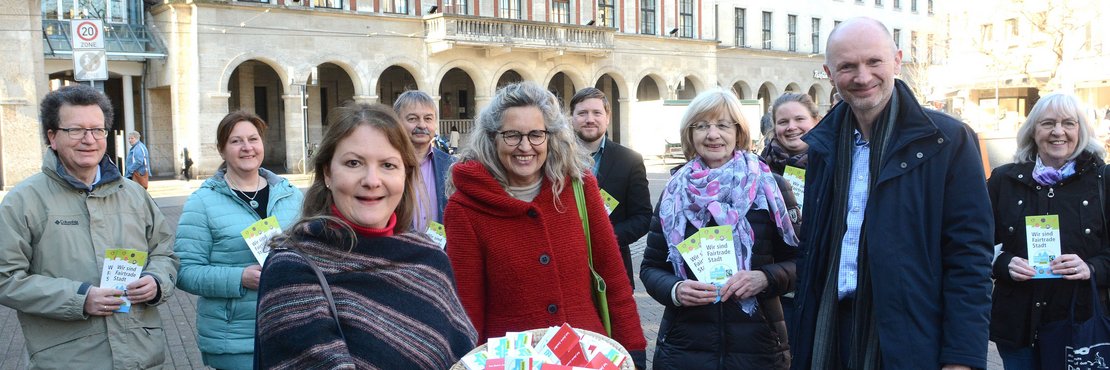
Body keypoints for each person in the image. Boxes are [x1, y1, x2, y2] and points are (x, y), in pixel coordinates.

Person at [790, 17, 994, 370]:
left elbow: (969, 259)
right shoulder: (822, 145)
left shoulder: (947, 140)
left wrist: (961, 358)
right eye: (847, 66)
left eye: (874, 62)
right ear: (828, 72)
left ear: (897, 61)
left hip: (907, 338)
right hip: (829, 334)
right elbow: (813, 249)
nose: (863, 76)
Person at [254, 103, 476, 369]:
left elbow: (463, 358)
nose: (372, 180)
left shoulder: (430, 259)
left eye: (388, 165)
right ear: (327, 172)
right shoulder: (293, 269)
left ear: (405, 174)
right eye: (354, 163)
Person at [444, 81, 647, 368]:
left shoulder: (579, 187)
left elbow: (612, 277)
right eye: (512, 135)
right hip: (509, 361)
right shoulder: (466, 206)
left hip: (588, 357)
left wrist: (634, 349)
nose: (525, 146)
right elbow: (467, 307)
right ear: (493, 138)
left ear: (550, 136)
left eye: (536, 134)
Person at [0, 84, 179, 368]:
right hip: (67, 360)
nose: (89, 139)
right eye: (75, 130)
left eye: (97, 130)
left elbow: (164, 253)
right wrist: (79, 298)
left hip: (141, 356)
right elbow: (6, 279)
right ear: (52, 137)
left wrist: (157, 282)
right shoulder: (22, 201)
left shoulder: (134, 194)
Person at [640, 88, 799, 369]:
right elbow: (651, 268)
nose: (712, 134)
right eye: (702, 126)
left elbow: (803, 261)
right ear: (690, 134)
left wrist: (765, 278)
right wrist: (675, 289)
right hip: (685, 347)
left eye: (723, 125)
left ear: (738, 132)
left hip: (758, 347)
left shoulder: (770, 188)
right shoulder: (674, 193)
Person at [174, 111, 304, 369]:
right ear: (222, 150)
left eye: (253, 139)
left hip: (290, 330)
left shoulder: (291, 196)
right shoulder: (202, 203)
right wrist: (239, 278)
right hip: (235, 341)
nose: (247, 148)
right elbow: (185, 272)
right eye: (236, 141)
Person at [988, 93, 1110, 369]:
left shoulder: (1103, 181)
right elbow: (976, 243)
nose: (1058, 132)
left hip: (1080, 326)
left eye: (1069, 123)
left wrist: (1091, 267)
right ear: (1033, 130)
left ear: (1082, 130)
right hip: (1018, 329)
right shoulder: (1004, 181)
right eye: (1048, 123)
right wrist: (1004, 263)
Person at [569, 87, 652, 289]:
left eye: (597, 113)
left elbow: (642, 217)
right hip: (566, 268)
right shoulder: (553, 158)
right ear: (571, 117)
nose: (590, 119)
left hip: (613, 268)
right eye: (582, 113)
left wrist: (604, 237)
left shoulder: (630, 160)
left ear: (607, 117)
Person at [393, 90, 455, 230]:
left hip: (442, 250)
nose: (422, 125)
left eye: (428, 119)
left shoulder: (451, 165)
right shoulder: (385, 165)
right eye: (413, 119)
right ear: (397, 123)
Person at [760, 93, 821, 175]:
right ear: (775, 127)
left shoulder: (834, 161)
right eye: (783, 122)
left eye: (799, 119)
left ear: (816, 121)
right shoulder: (759, 166)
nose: (791, 127)